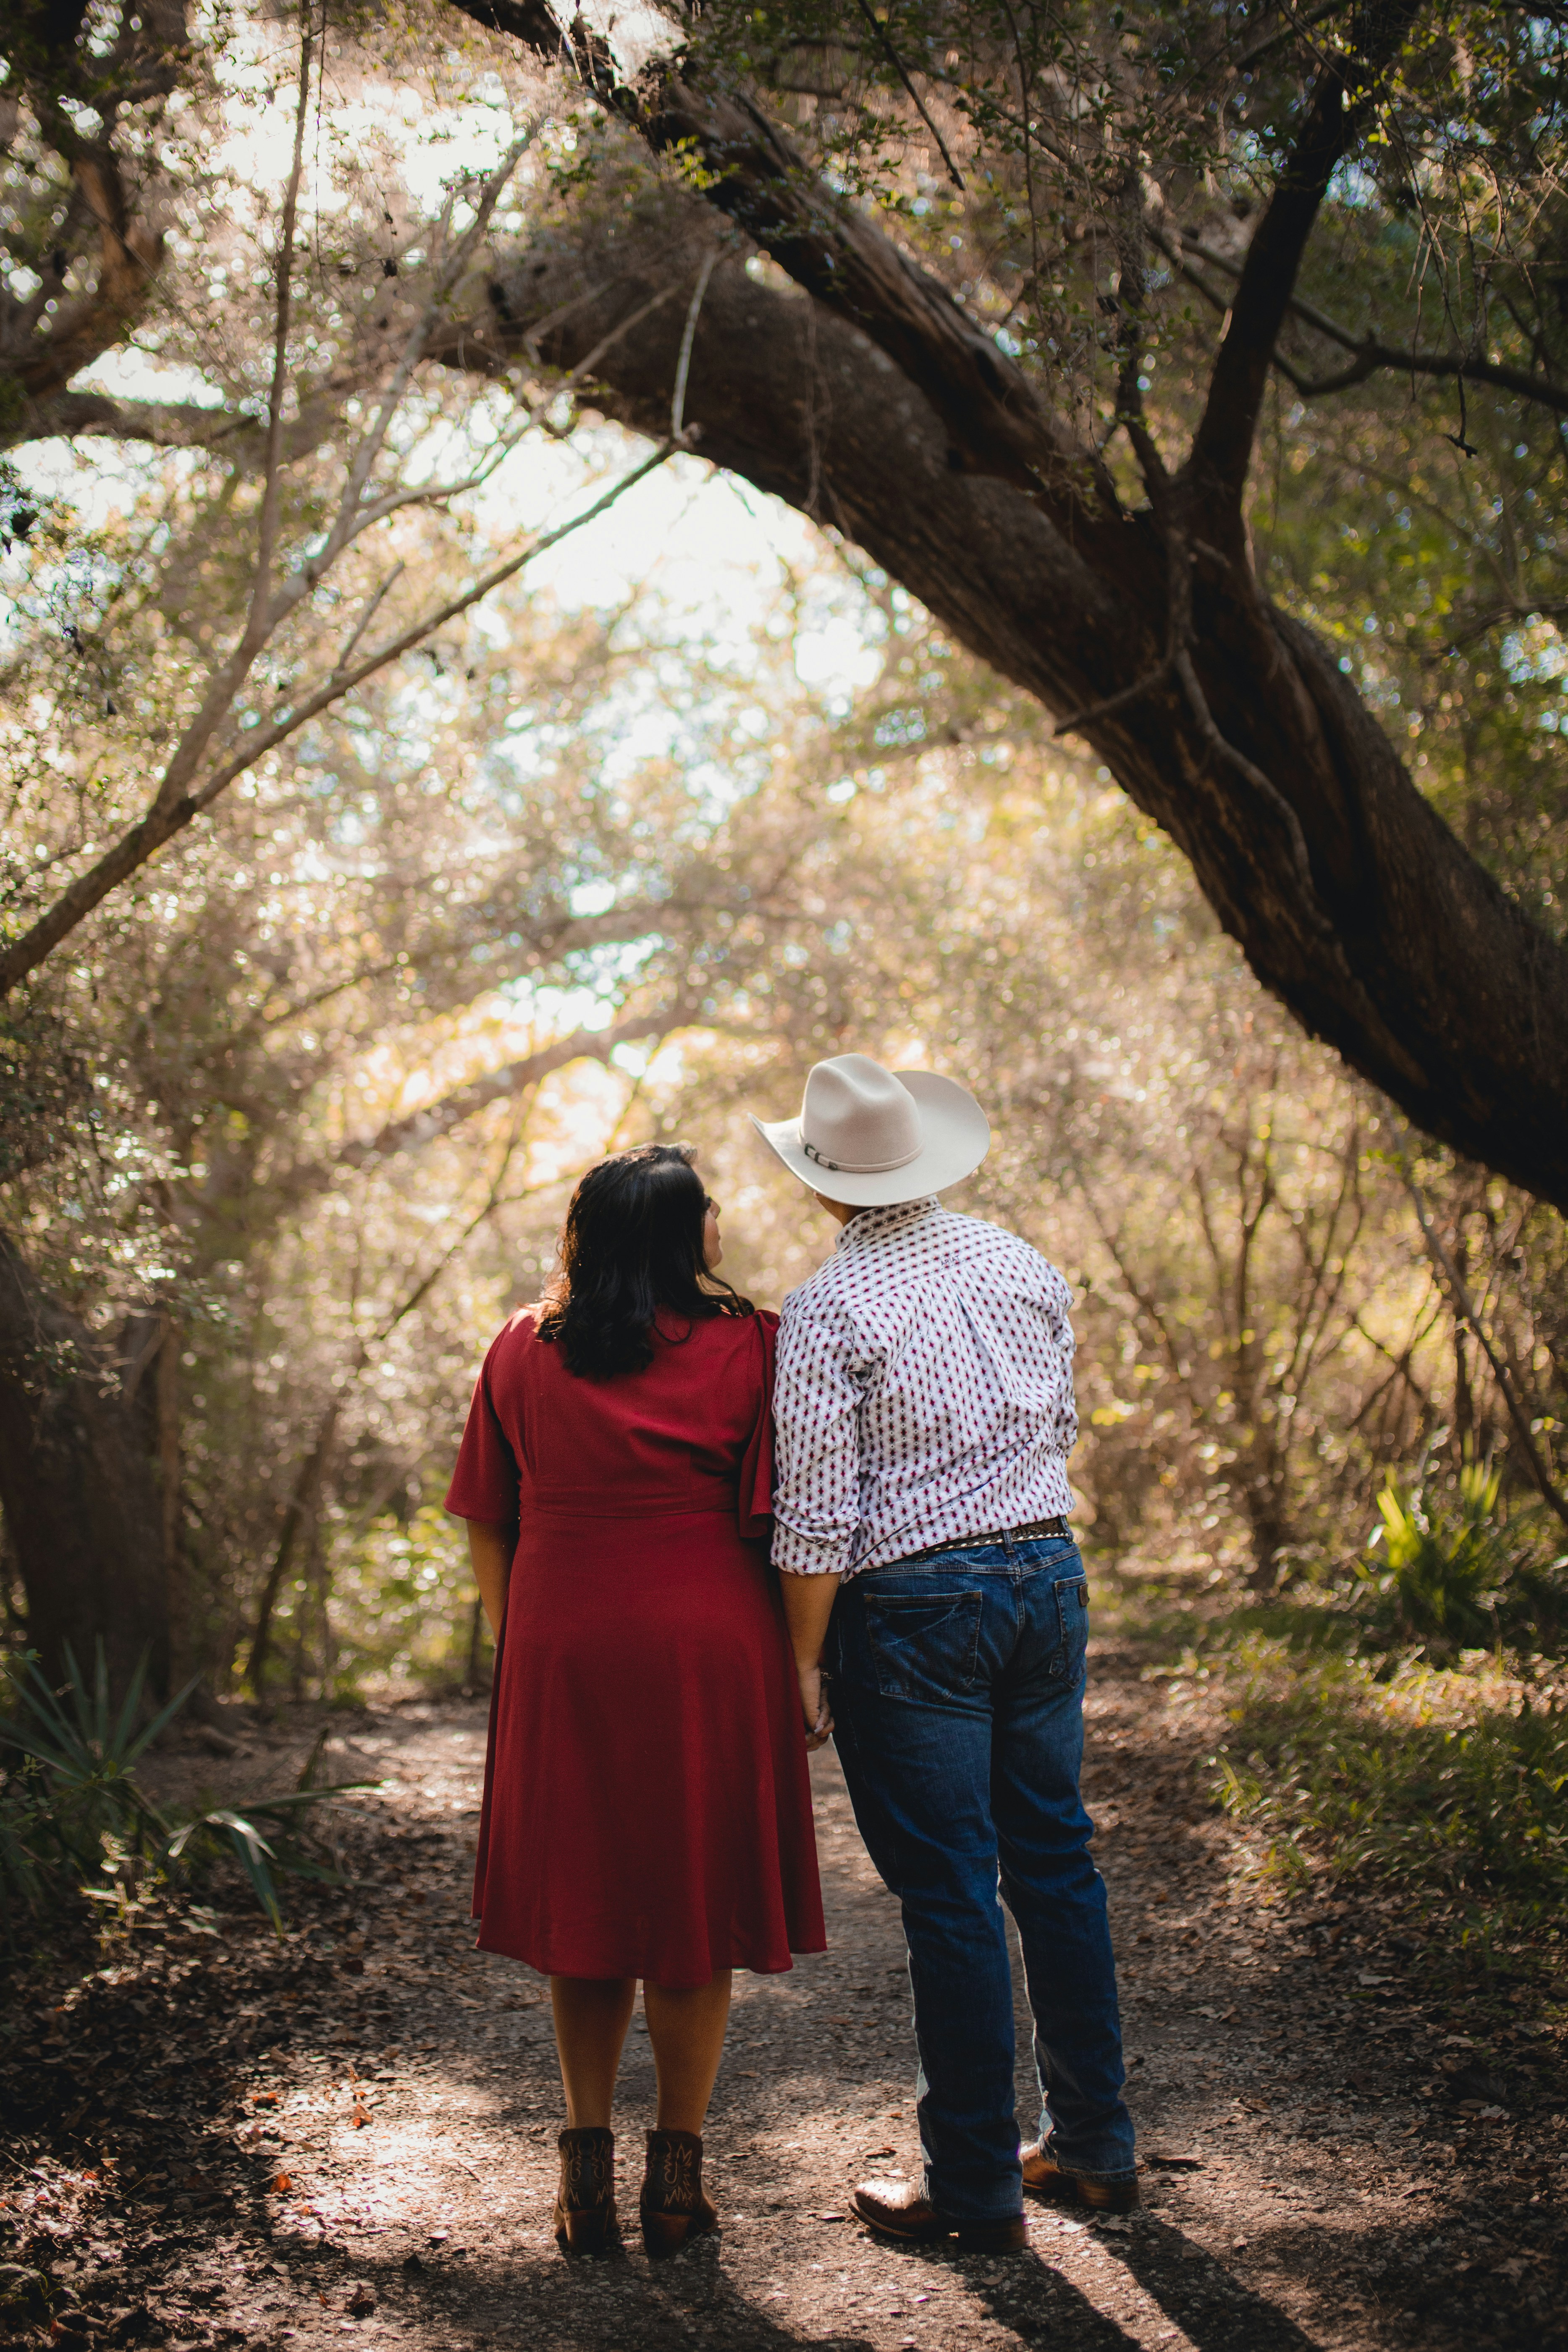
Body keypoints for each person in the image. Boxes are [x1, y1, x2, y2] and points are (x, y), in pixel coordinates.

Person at [751, 1053, 1136, 2252]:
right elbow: (1055, 1422)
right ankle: (1094, 2144)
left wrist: (804, 1660)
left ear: (824, 1185)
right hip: (1045, 1572)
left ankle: (972, 2183)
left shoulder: (827, 1309)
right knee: (1056, 1864)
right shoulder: (1024, 1263)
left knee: (953, 1891)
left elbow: (814, 1513)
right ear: (924, 1159)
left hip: (916, 1604)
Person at [446, 1143, 826, 2260]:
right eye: (707, 1206)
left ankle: (584, 2179)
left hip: (563, 1632)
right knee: (690, 1905)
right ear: (682, 1232)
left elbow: (483, 1511)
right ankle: (678, 2183)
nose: (721, 1219)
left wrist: (521, 1634)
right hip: (709, 1637)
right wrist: (808, 1657)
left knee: (585, 1898)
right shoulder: (753, 1343)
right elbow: (789, 1509)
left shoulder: (520, 1346)